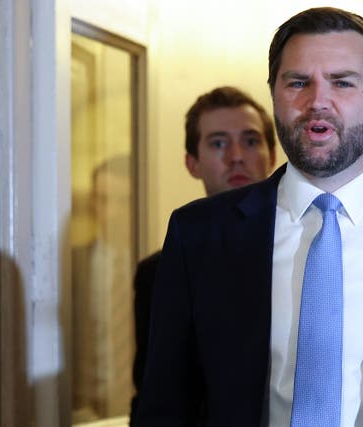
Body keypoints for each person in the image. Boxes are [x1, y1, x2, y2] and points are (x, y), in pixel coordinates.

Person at [135, 7, 363, 427]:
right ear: (274, 96)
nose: (317, 101)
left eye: (342, 82)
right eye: (298, 82)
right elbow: (165, 403)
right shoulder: (199, 235)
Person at [130, 86, 277, 423]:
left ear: (272, 156)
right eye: (218, 143)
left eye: (251, 141)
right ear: (192, 163)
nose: (237, 155)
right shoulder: (158, 271)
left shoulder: (312, 251)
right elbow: (155, 392)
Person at [72, 155, 135, 422]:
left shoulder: (160, 266)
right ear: (92, 203)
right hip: (87, 413)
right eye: (104, 199)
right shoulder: (73, 266)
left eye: (123, 201)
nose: (114, 211)